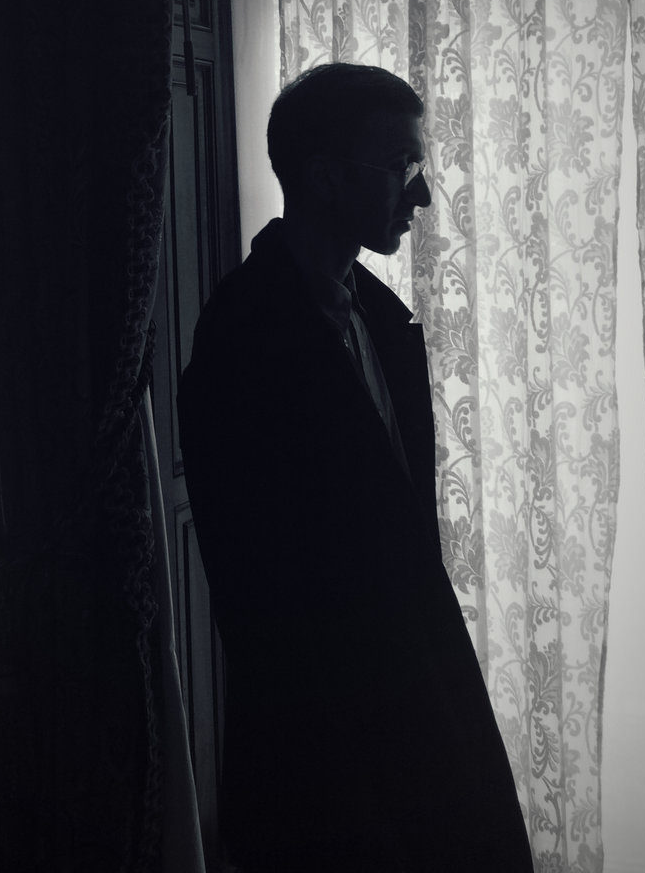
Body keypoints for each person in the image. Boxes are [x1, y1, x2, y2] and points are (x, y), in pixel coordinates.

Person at [176, 64, 533, 872]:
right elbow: (264, 602)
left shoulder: (374, 314)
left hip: (411, 708)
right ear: (325, 178)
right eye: (402, 167)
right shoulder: (243, 343)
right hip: (332, 763)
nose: (422, 196)